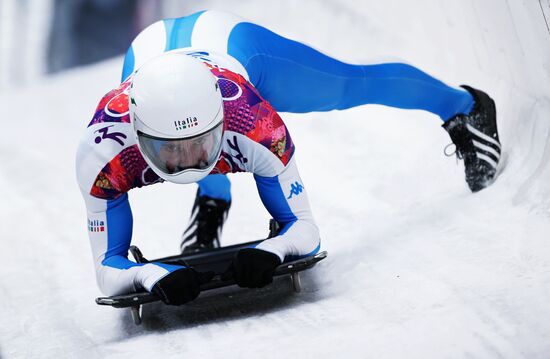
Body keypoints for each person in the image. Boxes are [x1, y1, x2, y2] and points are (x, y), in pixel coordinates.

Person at [76, 10, 502, 305]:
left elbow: (306, 230)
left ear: (224, 121)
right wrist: (152, 275)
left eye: (201, 145)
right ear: (136, 132)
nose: (189, 158)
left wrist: (275, 250)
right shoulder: (103, 149)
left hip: (234, 46)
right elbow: (104, 272)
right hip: (156, 63)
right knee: (206, 150)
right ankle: (214, 195)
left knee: (348, 84)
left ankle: (463, 107)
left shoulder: (254, 122)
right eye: (171, 151)